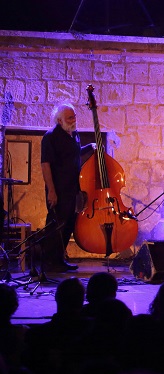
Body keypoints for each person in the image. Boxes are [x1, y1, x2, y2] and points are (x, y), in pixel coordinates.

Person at [40, 103, 95, 272]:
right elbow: (45, 164)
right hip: (59, 189)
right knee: (56, 225)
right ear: (59, 120)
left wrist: (90, 147)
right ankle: (49, 263)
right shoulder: (51, 137)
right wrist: (51, 191)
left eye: (74, 116)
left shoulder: (74, 134)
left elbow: (74, 153)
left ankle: (59, 260)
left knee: (69, 224)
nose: (74, 120)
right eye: (70, 117)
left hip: (73, 189)